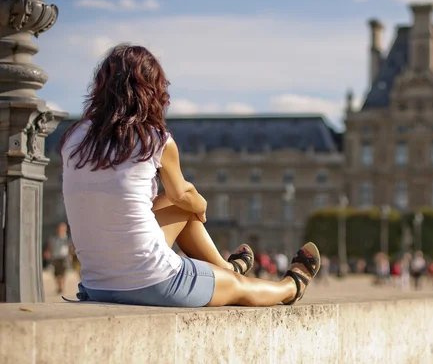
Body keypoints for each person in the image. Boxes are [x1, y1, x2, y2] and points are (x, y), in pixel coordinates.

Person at [59, 44, 320, 307]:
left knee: (174, 204)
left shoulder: (73, 138)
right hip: (154, 283)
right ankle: (290, 286)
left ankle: (224, 269)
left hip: (95, 285)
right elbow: (186, 197)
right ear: (151, 90)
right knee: (241, 289)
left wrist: (185, 202)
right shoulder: (155, 141)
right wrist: (201, 206)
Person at [45, 223, 72, 294]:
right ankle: (59, 287)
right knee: (57, 274)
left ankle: (62, 287)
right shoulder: (53, 238)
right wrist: (47, 252)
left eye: (63, 228)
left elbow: (70, 247)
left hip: (64, 257)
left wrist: (71, 255)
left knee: (63, 273)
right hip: (55, 257)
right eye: (60, 228)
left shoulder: (67, 238)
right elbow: (50, 246)